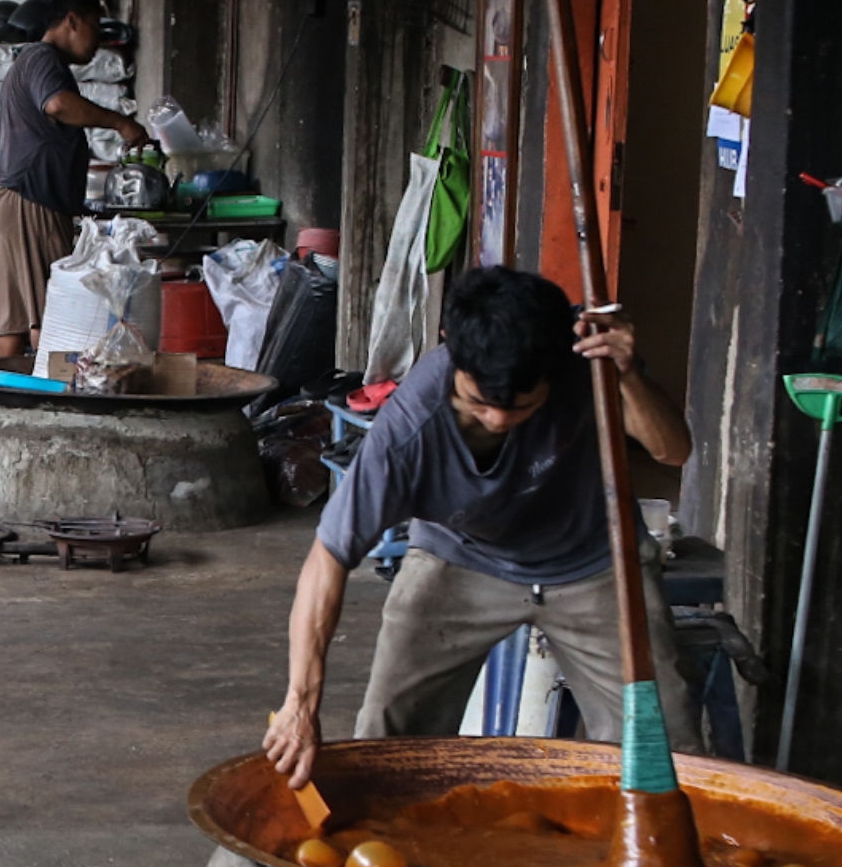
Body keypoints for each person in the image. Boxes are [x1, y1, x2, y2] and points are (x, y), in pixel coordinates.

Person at [262, 265, 697, 782]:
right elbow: (326, 560)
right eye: (477, 405)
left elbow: (674, 451)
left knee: (667, 754)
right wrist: (300, 704)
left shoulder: (587, 363)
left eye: (519, 410)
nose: (495, 421)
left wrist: (627, 375)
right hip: (459, 556)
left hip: (593, 562)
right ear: (451, 348)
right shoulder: (408, 430)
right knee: (387, 740)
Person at [0, 0, 146, 361]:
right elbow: (58, 104)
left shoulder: (32, 61)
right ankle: (55, 400)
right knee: (54, 309)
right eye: (94, 27)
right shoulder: (43, 59)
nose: (98, 41)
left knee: (13, 313)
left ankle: (6, 399)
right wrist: (120, 122)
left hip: (18, 195)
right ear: (71, 21)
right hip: (35, 199)